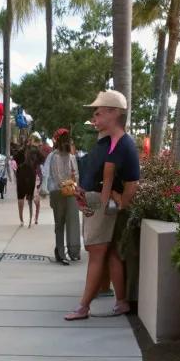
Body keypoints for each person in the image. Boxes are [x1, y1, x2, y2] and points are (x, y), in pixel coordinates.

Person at [67, 90, 140, 319]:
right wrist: (84, 192)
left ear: (114, 113)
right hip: (100, 204)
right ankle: (120, 302)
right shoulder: (108, 142)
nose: (95, 119)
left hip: (104, 207)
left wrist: (118, 203)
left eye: (99, 114)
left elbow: (129, 182)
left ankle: (84, 306)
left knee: (97, 253)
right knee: (109, 255)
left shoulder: (121, 144)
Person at [43, 128, 81, 264]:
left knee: (62, 223)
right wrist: (74, 188)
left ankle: (65, 251)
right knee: (65, 222)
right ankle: (67, 251)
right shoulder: (64, 156)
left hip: (62, 191)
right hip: (65, 192)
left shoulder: (60, 156)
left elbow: (62, 177)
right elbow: (71, 176)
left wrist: (70, 187)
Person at [15, 139, 41, 225]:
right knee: (31, 198)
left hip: (21, 177)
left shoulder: (20, 152)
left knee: (21, 198)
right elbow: (40, 160)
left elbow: (15, 159)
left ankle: (21, 219)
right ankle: (31, 218)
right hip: (31, 177)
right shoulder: (34, 152)